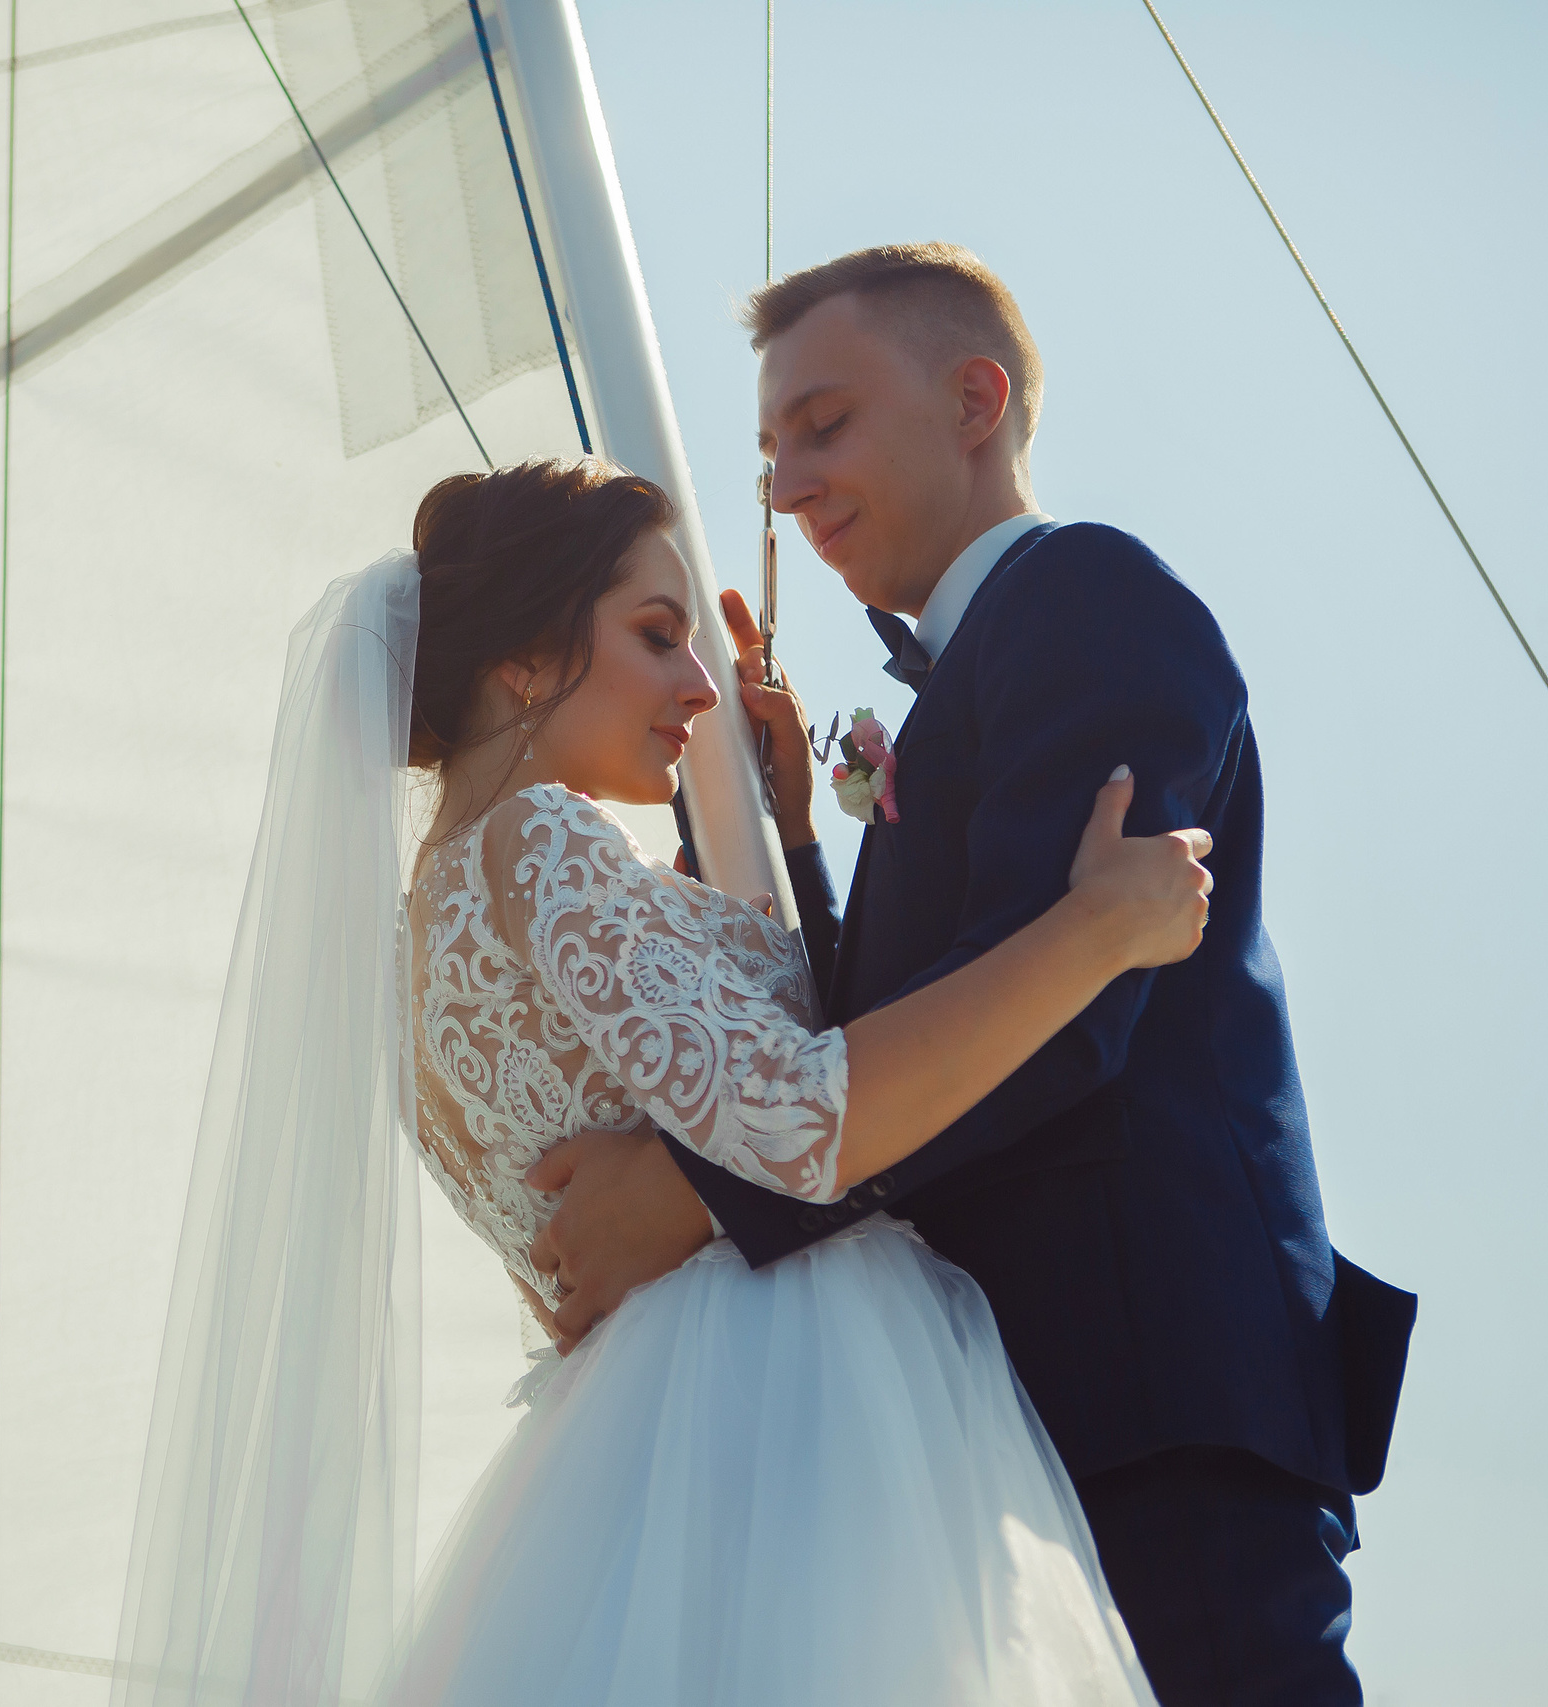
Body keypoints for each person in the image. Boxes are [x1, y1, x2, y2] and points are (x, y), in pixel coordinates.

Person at [111, 457, 1204, 1706]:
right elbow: (801, 1118)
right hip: (790, 1403)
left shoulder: (407, 948)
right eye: (655, 636)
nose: (699, 685)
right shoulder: (541, 839)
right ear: (522, 659)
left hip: (610, 1467)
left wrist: (790, 832)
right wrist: (1099, 930)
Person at [529, 244, 1415, 1706]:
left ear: (976, 399)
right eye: (770, 454)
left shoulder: (1090, 596)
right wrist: (793, 844)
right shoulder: (977, 669)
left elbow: (1058, 1012)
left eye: (824, 424)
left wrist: (700, 1192)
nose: (789, 485)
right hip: (1003, 1430)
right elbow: (913, 1017)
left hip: (1150, 1410)